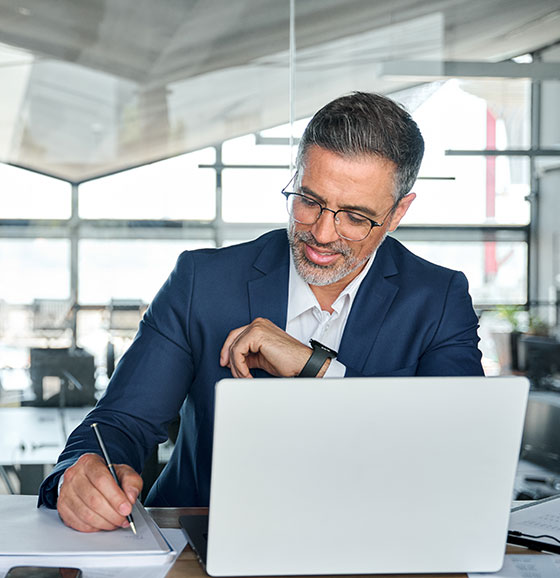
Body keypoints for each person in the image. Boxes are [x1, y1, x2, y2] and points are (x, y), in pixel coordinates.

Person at [39, 92, 484, 533]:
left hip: (370, 543)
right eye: (309, 200)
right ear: (295, 175)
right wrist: (79, 474)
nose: (322, 233)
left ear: (398, 212)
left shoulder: (438, 299)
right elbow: (120, 422)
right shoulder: (202, 282)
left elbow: (456, 455)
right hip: (196, 543)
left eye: (354, 216)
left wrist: (316, 369)